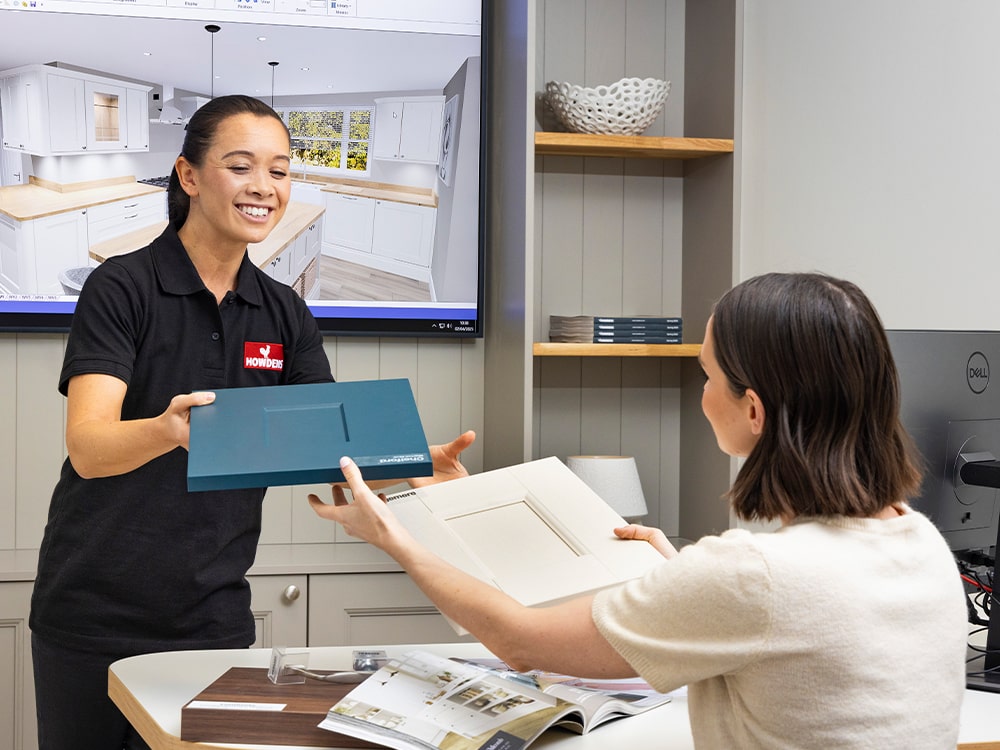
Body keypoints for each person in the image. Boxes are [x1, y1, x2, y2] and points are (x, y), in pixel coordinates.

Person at [310, 272, 969, 749]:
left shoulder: (752, 575)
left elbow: (518, 641)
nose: (701, 393)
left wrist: (394, 535)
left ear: (753, 409)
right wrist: (681, 578)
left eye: (707, 375)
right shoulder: (922, 544)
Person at [29, 94, 475, 750]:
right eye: (241, 167)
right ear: (188, 175)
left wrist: (408, 464)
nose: (264, 186)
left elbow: (328, 453)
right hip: (90, 617)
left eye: (280, 170)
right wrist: (167, 429)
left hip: (214, 620)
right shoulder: (122, 288)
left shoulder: (284, 312)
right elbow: (90, 449)